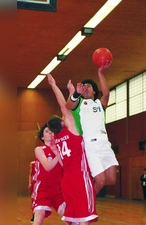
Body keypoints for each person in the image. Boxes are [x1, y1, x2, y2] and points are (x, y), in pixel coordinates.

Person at [47, 73, 98, 225]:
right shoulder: (71, 131)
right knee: (85, 218)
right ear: (62, 124)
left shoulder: (56, 139)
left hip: (66, 181)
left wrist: (57, 86)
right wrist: (54, 85)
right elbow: (64, 106)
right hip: (79, 177)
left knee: (75, 219)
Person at [65, 64, 119, 194]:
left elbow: (106, 93)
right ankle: (86, 206)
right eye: (84, 87)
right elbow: (68, 105)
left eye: (88, 86)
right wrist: (76, 93)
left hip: (105, 143)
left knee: (111, 179)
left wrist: (100, 72)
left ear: (94, 91)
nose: (86, 87)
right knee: (100, 181)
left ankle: (85, 185)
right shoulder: (80, 104)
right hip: (90, 145)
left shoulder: (99, 104)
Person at [31, 124, 65, 225]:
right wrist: (58, 155)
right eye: (47, 131)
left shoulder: (61, 149)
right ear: (42, 137)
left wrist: (58, 151)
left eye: (51, 131)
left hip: (59, 188)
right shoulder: (39, 149)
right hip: (43, 187)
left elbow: (65, 167)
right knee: (38, 219)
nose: (50, 132)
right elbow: (48, 167)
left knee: (70, 218)